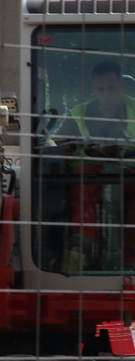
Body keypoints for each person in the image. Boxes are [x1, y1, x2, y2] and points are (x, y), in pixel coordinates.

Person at [58, 61, 135, 269]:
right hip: (93, 174)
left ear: (122, 86)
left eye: (111, 88)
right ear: (94, 89)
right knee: (80, 184)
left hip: (131, 173)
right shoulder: (77, 114)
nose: (106, 93)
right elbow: (56, 144)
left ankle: (130, 259)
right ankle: (82, 248)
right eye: (100, 89)